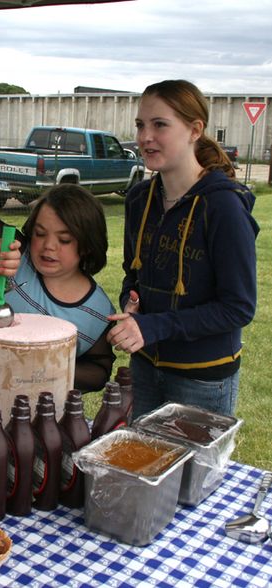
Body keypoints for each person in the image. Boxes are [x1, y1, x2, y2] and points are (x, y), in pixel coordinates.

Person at [107, 79, 259, 418]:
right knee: (143, 468)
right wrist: (131, 303)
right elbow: (133, 275)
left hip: (202, 378)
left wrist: (153, 326)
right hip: (145, 367)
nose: (145, 136)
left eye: (160, 124)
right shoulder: (138, 200)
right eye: (140, 125)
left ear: (195, 130)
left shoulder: (223, 207)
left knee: (192, 473)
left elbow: (238, 308)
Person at [0, 184, 115, 391]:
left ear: (88, 245)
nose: (49, 246)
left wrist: (42, 362)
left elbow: (98, 374)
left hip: (43, 415)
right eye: (40, 233)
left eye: (64, 239)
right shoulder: (15, 258)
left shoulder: (98, 310)